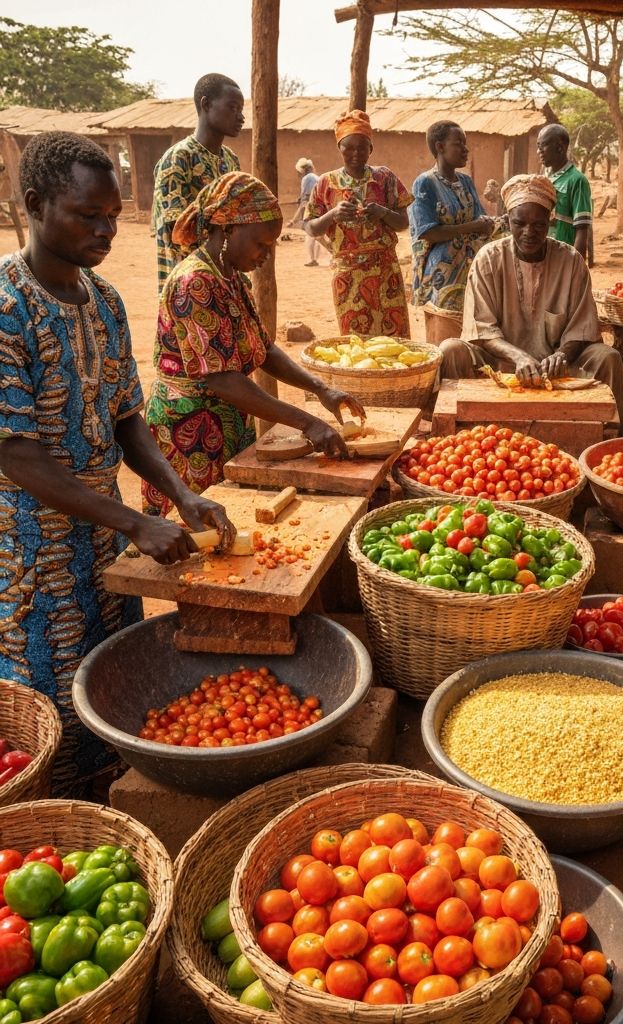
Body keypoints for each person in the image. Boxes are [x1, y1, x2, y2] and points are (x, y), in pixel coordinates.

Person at [0, 132, 231, 795]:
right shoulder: (8, 307)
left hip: (103, 534)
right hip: (31, 548)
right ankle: (58, 816)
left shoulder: (102, 299)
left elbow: (128, 416)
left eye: (112, 215)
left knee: (114, 680)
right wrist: (133, 523)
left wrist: (180, 494)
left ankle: (112, 797)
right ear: (36, 204)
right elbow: (17, 453)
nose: (106, 230)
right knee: (48, 703)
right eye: (88, 215)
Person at [142, 172, 365, 515]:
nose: (266, 255)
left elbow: (263, 348)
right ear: (229, 229)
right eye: (261, 244)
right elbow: (221, 378)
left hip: (227, 421)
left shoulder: (230, 276)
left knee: (232, 518)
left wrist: (321, 389)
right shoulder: (195, 283)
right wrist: (308, 423)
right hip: (189, 431)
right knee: (192, 529)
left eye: (271, 246)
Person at [440, 174, 623, 424]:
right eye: (520, 223)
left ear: (550, 221)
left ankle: (611, 435)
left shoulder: (571, 261)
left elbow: (582, 328)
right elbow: (481, 329)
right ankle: (455, 431)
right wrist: (518, 357)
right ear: (508, 220)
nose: (529, 232)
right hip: (499, 365)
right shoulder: (488, 259)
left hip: (557, 369)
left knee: (608, 358)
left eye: (538, 225)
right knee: (451, 350)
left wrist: (561, 355)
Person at [305, 109, 412, 338]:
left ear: (371, 148)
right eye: (349, 147)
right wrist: (333, 214)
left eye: (362, 147)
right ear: (339, 148)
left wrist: (383, 212)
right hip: (348, 276)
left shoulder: (385, 178)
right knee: (356, 341)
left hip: (386, 273)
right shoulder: (326, 183)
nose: (356, 153)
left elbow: (403, 222)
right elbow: (310, 227)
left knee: (394, 340)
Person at [152, 73, 245, 291]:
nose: (241, 117)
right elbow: (175, 231)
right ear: (206, 104)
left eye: (241, 109)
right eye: (233, 108)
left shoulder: (230, 160)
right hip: (188, 283)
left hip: (227, 276)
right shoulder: (178, 158)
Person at [409, 120, 497, 312]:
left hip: (471, 265)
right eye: (458, 144)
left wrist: (489, 223)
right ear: (440, 147)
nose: (465, 149)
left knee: (473, 317)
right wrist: (472, 227)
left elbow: (480, 218)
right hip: (442, 271)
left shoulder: (465, 181)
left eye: (465, 144)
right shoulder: (425, 183)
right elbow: (428, 232)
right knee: (445, 320)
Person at [537, 123, 592, 260]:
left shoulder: (577, 180)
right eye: (538, 147)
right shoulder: (544, 179)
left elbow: (582, 229)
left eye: (543, 146)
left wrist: (576, 265)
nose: (539, 151)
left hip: (563, 257)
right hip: (542, 256)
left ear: (560, 148)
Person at [289, 157, 321, 267]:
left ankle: (312, 259)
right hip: (321, 208)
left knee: (310, 234)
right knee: (319, 235)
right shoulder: (316, 177)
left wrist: (294, 219)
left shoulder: (307, 178)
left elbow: (306, 198)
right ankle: (317, 258)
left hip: (312, 208)